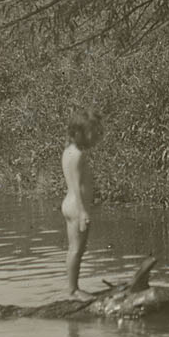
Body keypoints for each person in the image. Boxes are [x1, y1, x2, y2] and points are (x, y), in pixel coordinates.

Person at [61, 109, 101, 297]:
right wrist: (84, 212)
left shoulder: (68, 151)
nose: (95, 136)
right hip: (77, 207)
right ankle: (73, 289)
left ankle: (72, 288)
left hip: (69, 204)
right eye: (92, 132)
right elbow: (77, 185)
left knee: (74, 248)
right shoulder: (79, 155)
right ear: (80, 133)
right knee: (78, 249)